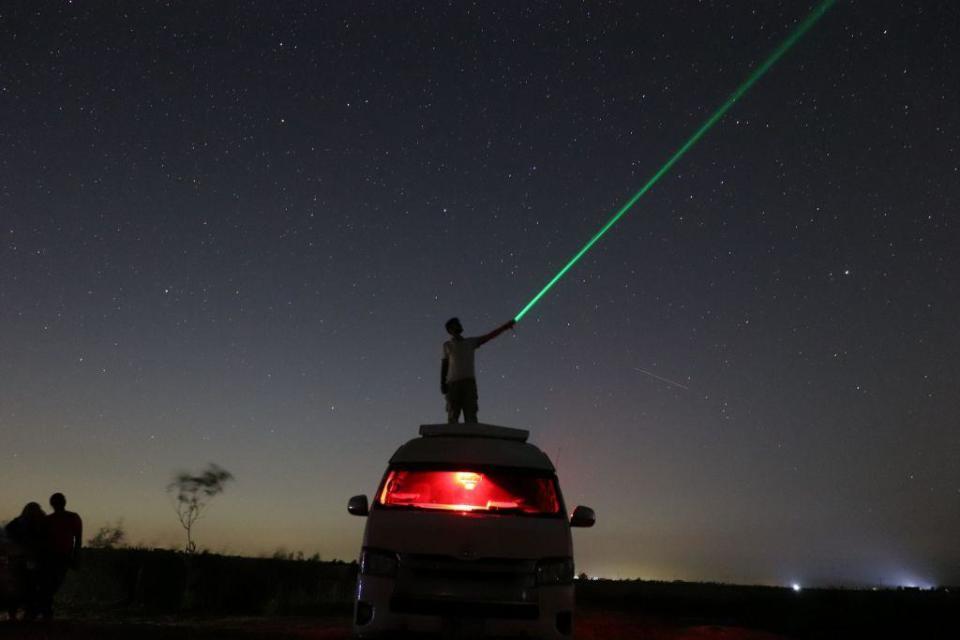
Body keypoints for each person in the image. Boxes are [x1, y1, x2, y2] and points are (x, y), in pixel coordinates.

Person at [440, 317, 515, 423]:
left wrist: (504, 327)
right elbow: (444, 365)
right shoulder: (447, 345)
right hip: (453, 385)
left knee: (471, 415)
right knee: (453, 416)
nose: (460, 325)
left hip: (469, 384)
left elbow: (489, 336)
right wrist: (442, 383)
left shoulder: (470, 342)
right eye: (456, 324)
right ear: (450, 329)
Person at [38, 493, 82, 620]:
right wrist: (76, 557)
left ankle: (45, 609)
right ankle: (45, 610)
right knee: (52, 584)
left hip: (54, 556)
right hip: (57, 556)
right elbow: (78, 540)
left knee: (50, 584)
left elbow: (77, 539)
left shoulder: (49, 519)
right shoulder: (72, 517)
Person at [4, 502, 46, 621]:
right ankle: (28, 613)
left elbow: (8, 533)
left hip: (19, 560)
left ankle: (14, 613)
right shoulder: (39, 524)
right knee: (30, 587)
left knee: (17, 587)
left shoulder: (17, 523)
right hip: (30, 560)